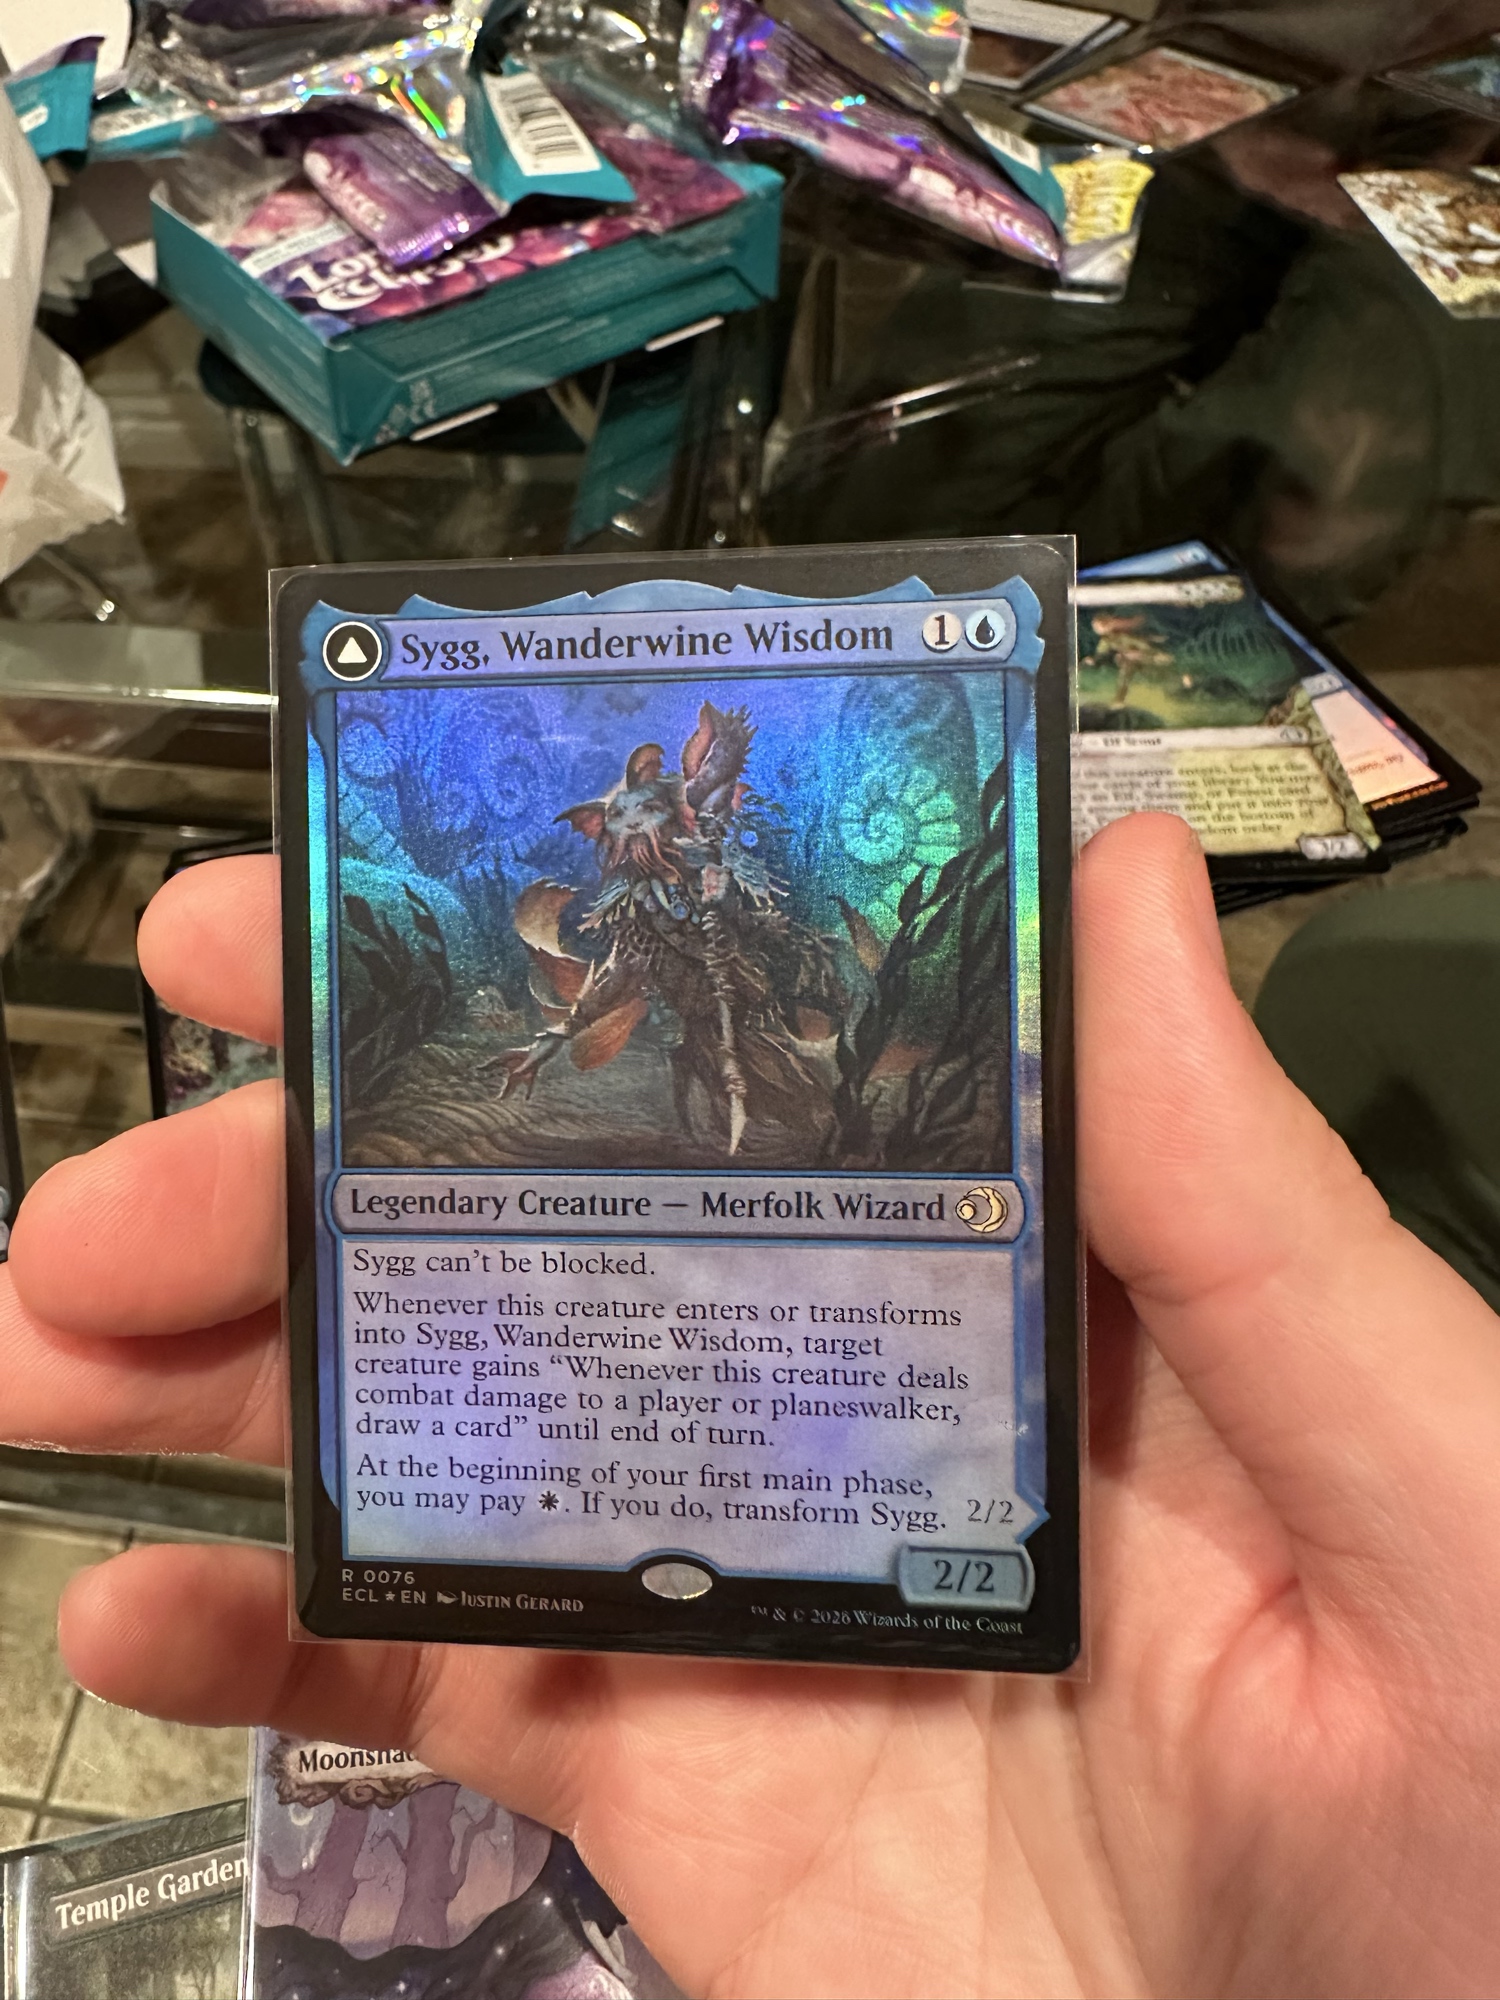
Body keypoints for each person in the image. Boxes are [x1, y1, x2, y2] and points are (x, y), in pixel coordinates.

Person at [5, 812, 1500, 1998]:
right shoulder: (627, 891)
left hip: (766, 1087)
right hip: (653, 1085)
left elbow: (752, 942)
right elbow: (602, 944)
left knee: (748, 1064)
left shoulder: (727, 881)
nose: (649, 833)